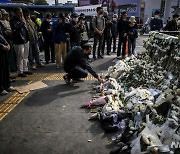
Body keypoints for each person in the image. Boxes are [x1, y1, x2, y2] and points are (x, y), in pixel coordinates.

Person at [10, 7, 32, 77]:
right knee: (20, 57)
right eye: (19, 12)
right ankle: (20, 71)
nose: (21, 14)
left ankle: (25, 69)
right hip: (18, 41)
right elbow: (16, 28)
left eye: (21, 12)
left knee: (25, 56)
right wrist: (22, 22)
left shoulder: (22, 19)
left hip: (25, 40)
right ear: (15, 13)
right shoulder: (13, 20)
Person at [0, 11, 15, 95]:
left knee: (6, 67)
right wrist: (2, 46)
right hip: (1, 48)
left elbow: (2, 36)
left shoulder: (1, 24)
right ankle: (1, 88)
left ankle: (7, 85)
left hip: (5, 48)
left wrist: (6, 43)